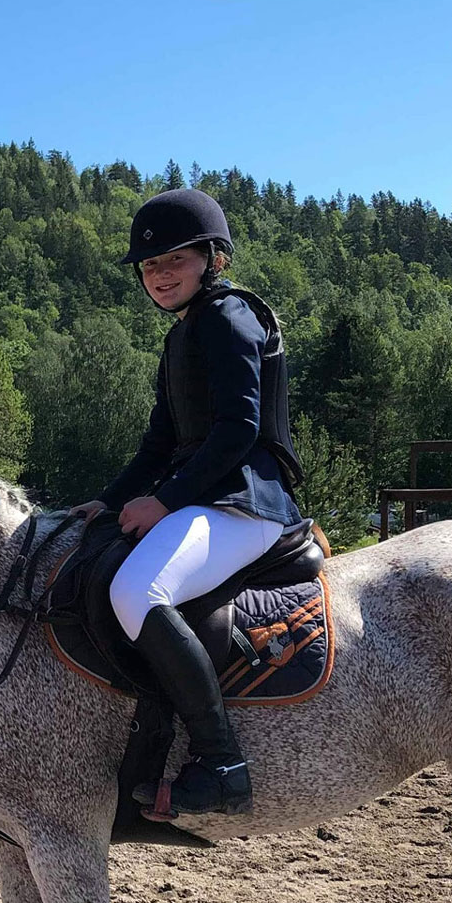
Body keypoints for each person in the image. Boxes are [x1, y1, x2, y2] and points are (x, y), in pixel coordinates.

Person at [71, 189, 303, 816]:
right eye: (149, 266)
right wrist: (110, 500)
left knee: (135, 591)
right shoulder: (181, 338)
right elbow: (159, 443)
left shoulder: (229, 319)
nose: (160, 274)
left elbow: (238, 431)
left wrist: (164, 501)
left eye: (174, 259)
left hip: (246, 502)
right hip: (208, 497)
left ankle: (221, 761)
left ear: (211, 256)